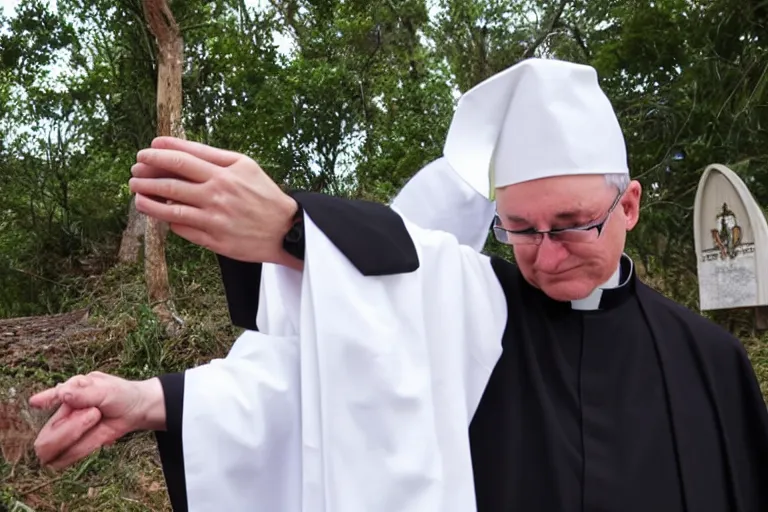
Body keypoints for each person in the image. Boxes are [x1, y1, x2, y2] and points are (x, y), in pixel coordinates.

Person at [30, 58, 768, 512]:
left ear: (630, 204)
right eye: (519, 228)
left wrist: (290, 227)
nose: (543, 256)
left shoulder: (709, 361)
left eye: (572, 224)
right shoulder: (481, 315)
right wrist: (149, 399)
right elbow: (340, 360)